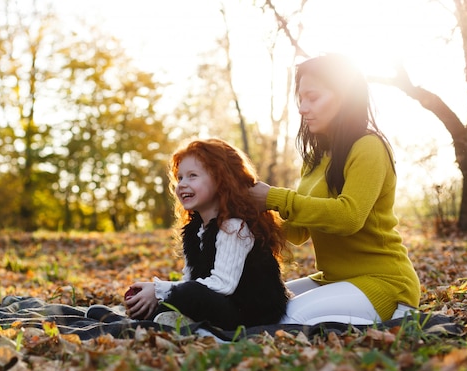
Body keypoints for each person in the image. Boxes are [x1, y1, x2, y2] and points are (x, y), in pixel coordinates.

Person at [250, 53, 421, 325]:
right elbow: (297, 231)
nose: (303, 107)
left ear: (344, 96)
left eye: (313, 97)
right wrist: (246, 213)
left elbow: (348, 217)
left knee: (284, 319)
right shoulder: (316, 159)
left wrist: (273, 197)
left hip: (383, 282)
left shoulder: (369, 147)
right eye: (301, 98)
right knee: (260, 305)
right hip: (334, 279)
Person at [124, 138, 290, 330]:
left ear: (221, 180)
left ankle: (168, 319)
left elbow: (222, 285)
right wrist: (155, 295)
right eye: (180, 177)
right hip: (218, 304)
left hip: (248, 313)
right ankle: (146, 316)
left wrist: (160, 290)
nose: (182, 184)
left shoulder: (234, 227)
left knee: (186, 294)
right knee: (176, 295)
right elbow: (191, 281)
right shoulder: (194, 231)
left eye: (192, 176)